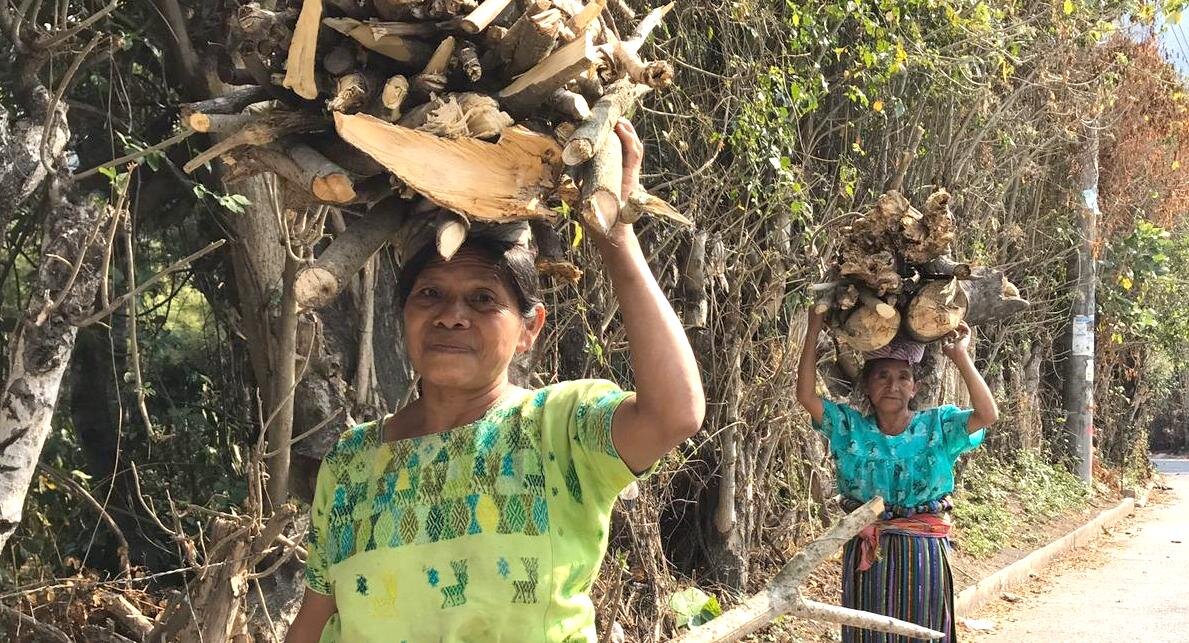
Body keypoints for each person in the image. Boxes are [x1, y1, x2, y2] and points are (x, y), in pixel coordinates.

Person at [285, 119, 705, 643]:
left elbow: (676, 414)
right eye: (430, 295)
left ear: (529, 328)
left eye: (484, 299)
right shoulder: (351, 461)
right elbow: (316, 616)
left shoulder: (560, 429)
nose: (452, 316)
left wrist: (615, 235)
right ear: (404, 316)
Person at [795, 310, 998, 642]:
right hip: (867, 551)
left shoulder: (937, 426)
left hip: (923, 553)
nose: (893, 385)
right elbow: (805, 396)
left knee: (923, 632)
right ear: (867, 386)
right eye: (882, 376)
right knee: (868, 635)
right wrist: (814, 324)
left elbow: (987, 413)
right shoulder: (850, 429)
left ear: (914, 387)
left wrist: (959, 355)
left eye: (903, 377)